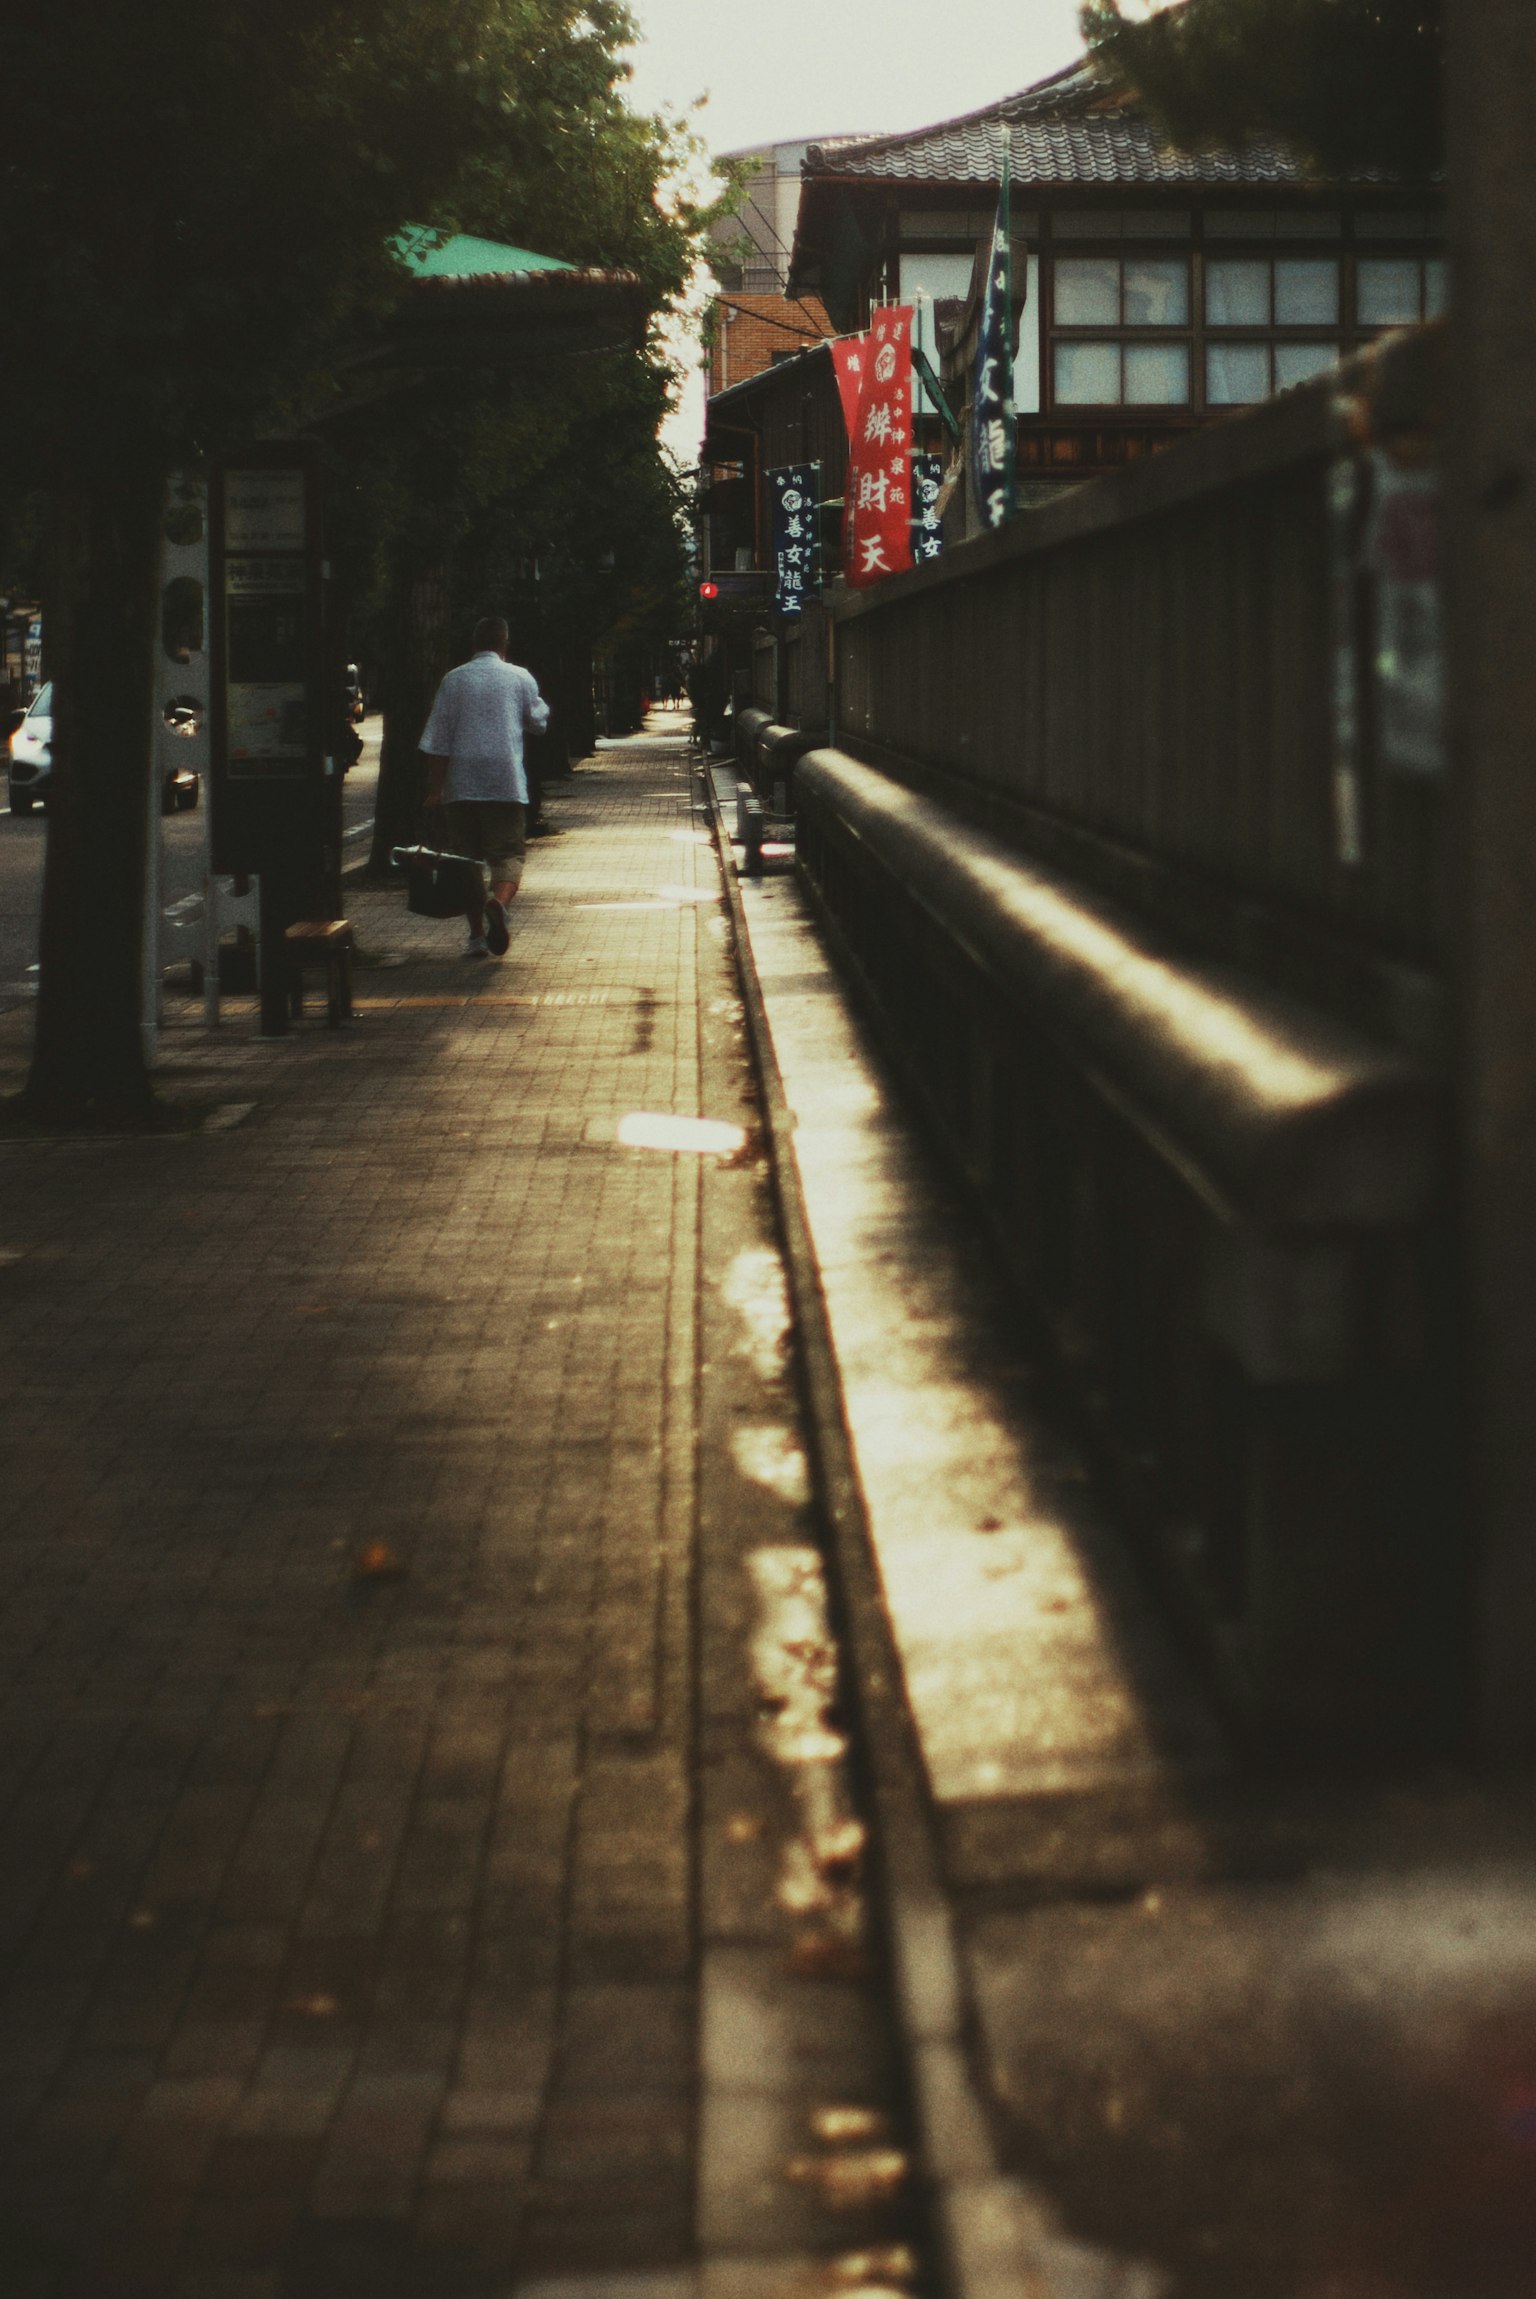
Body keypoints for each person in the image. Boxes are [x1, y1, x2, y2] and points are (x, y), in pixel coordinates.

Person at [419, 615, 550, 959]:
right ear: (505, 645)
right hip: (504, 781)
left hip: (460, 784)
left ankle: (476, 937)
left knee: (466, 862)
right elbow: (539, 723)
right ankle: (500, 904)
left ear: (473, 645)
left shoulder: (453, 680)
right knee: (507, 854)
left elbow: (437, 740)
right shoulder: (519, 677)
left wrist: (436, 790)